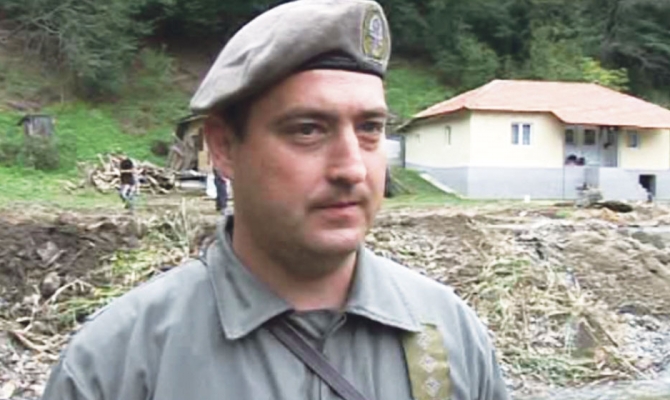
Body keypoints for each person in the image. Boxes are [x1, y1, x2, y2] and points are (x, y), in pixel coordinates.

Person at [41, 1, 510, 399]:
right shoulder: (119, 364)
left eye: (370, 128)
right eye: (308, 130)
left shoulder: (451, 335)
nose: (351, 168)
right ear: (224, 147)